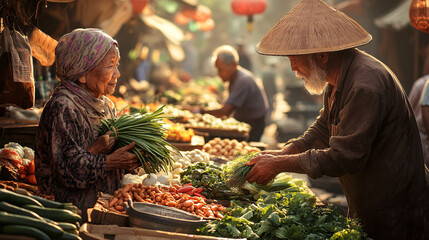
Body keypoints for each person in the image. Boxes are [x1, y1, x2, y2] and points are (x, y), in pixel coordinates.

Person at [246, 0, 428, 239]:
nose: (293, 68)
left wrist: (279, 165)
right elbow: (323, 128)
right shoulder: (336, 79)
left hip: (397, 211)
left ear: (321, 56)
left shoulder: (364, 85)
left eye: (295, 59)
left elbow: (344, 157)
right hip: (370, 204)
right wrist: (285, 152)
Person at [35, 28, 139, 222]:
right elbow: (67, 173)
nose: (117, 73)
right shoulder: (63, 108)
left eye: (117, 64)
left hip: (102, 212)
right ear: (82, 73)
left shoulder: (106, 105)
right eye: (110, 66)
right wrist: (108, 160)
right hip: (66, 218)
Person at [201, 45, 269, 142]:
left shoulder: (243, 80)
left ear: (233, 65)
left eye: (221, 69)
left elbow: (225, 111)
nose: (218, 74)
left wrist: (202, 112)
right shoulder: (233, 79)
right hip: (245, 119)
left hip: (253, 123)